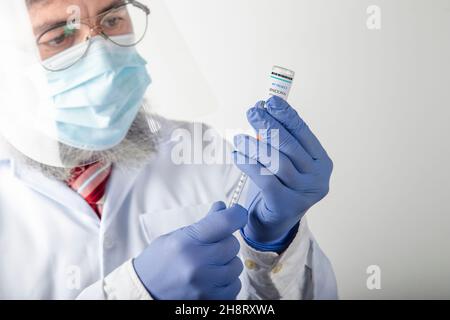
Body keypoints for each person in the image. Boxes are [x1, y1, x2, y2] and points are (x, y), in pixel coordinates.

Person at [0, 0, 337, 300]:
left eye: (113, 19)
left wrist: (271, 244)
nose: (101, 54)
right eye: (59, 37)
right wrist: (135, 291)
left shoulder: (201, 151)